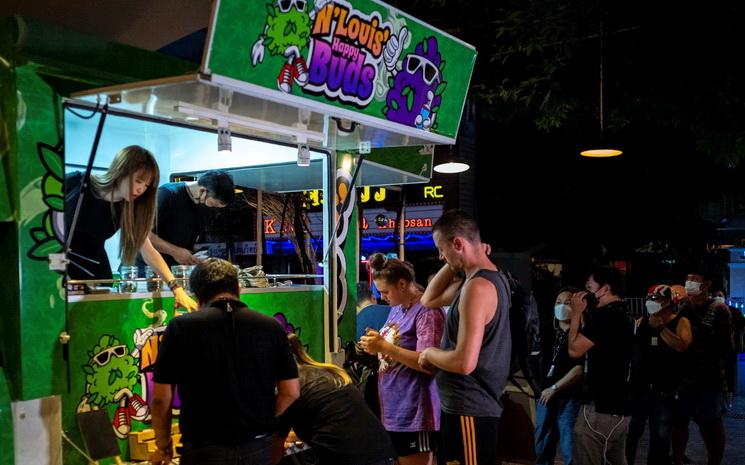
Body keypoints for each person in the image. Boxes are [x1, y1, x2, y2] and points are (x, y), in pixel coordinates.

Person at [149, 258, 300, 465]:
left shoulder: (181, 328)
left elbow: (160, 399)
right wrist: (260, 418)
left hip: (204, 451)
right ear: (238, 288)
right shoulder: (271, 326)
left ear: (196, 295)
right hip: (258, 449)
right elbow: (291, 391)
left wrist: (163, 443)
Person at [417, 209, 511, 465]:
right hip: (461, 408)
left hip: (470, 409)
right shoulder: (476, 281)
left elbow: (464, 363)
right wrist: (453, 262)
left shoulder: (478, 288)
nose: (440, 256)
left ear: (457, 243)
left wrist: (429, 353)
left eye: (441, 249)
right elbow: (428, 300)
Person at [65, 145, 197, 311]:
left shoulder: (128, 209)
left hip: (94, 275)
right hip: (56, 266)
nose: (141, 189)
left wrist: (175, 288)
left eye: (147, 185)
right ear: (121, 170)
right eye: (138, 181)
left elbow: (148, 251)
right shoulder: (77, 182)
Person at [359, 253, 445, 465]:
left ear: (403, 284)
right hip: (393, 409)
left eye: (386, 292)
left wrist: (384, 346)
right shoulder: (397, 309)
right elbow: (394, 349)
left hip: (416, 410)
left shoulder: (427, 311)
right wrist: (374, 345)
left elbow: (428, 363)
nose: (382, 297)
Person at [276, 333, 396, 465]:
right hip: (381, 450)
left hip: (346, 457)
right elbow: (332, 422)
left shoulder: (286, 387)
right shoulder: (326, 373)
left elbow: (274, 452)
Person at [568, 265, 635, 465]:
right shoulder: (626, 316)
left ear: (604, 289)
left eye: (589, 287)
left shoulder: (605, 317)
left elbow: (574, 350)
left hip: (599, 409)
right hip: (622, 407)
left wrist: (576, 314)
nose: (584, 293)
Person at [671, 269, 735, 465]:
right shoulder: (683, 308)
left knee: (711, 423)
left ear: (706, 284)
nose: (688, 283)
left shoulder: (718, 309)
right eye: (687, 279)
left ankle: (714, 461)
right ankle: (678, 459)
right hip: (684, 378)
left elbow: (728, 349)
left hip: (711, 378)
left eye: (693, 280)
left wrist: (730, 385)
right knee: (680, 421)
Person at [626, 284, 692, 465]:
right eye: (649, 299)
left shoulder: (680, 321)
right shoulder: (642, 322)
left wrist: (661, 328)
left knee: (660, 437)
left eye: (656, 299)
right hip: (640, 388)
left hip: (665, 390)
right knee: (631, 433)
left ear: (667, 301)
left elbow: (681, 346)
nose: (651, 303)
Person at [138, 170, 235, 268]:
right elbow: (140, 234)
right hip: (145, 269)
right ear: (202, 191)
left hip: (176, 270)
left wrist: (193, 257)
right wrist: (175, 251)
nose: (214, 209)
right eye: (213, 205)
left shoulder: (204, 206)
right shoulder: (167, 194)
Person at [534, 287, 584, 465]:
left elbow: (579, 369)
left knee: (568, 445)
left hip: (568, 396)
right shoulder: (546, 330)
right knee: (541, 442)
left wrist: (554, 388)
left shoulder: (580, 333)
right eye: (558, 302)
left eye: (567, 302)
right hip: (544, 396)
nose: (561, 306)